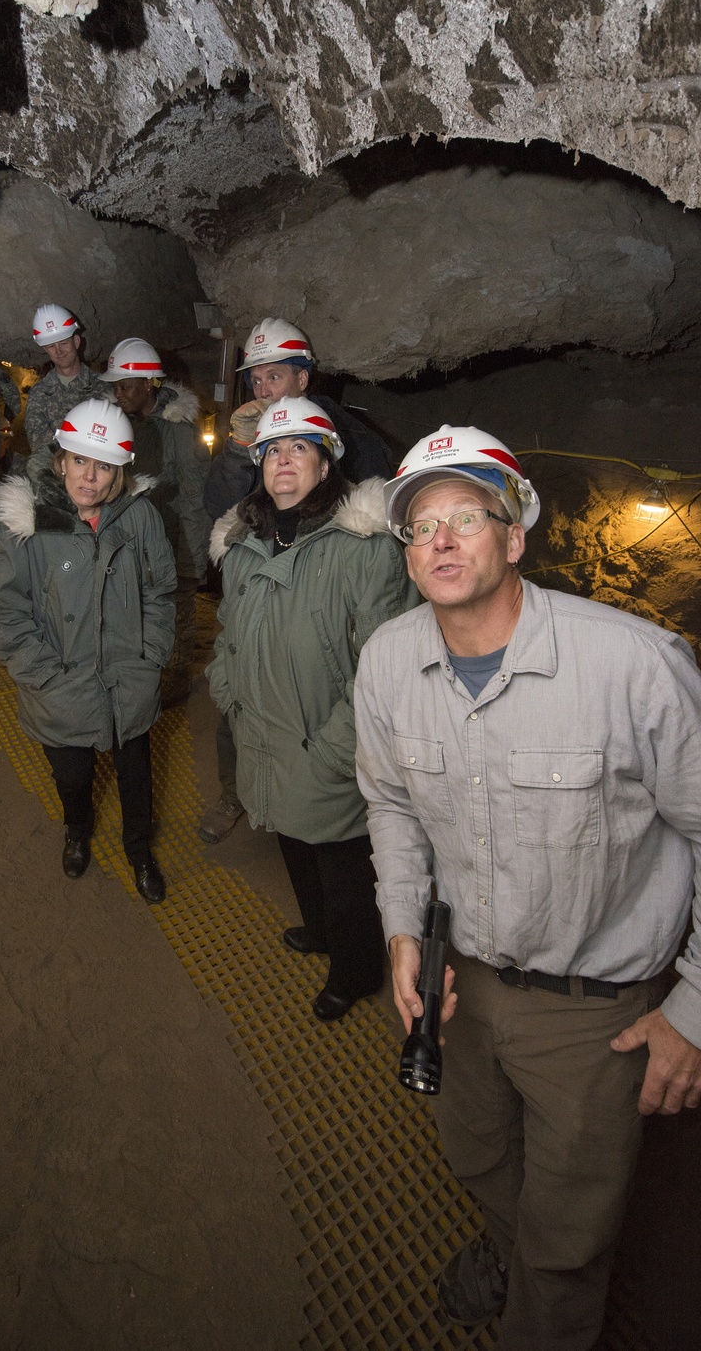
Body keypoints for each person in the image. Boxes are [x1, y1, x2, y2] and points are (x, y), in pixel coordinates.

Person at [353, 423, 701, 1349]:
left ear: (515, 535)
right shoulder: (386, 662)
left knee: (572, 1238)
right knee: (480, 1157)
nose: (442, 540)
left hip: (593, 1008)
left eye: (466, 517)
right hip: (462, 980)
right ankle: (514, 1247)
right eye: (420, 525)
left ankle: (544, 1302)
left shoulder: (633, 666)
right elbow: (391, 807)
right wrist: (403, 932)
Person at [207, 397, 418, 1020]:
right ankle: (319, 932)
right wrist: (229, 692)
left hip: (328, 743)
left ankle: (353, 972)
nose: (283, 461)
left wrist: (332, 748)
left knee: (344, 869)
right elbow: (227, 633)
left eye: (300, 447)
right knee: (292, 841)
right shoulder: (245, 543)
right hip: (265, 732)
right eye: (272, 449)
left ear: (326, 465)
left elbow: (386, 668)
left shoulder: (366, 550)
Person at [0, 399, 176, 900]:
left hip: (128, 681)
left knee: (136, 778)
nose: (89, 477)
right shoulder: (24, 524)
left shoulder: (139, 518)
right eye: (80, 461)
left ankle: (138, 848)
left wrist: (150, 660)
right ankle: (77, 832)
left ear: (119, 474)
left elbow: (160, 590)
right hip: (59, 687)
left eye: (104, 465)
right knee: (73, 776)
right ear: (60, 459)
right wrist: (43, 675)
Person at [199, 317, 394, 844]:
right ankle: (237, 792)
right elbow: (218, 508)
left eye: (275, 377)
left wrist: (334, 750)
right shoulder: (251, 441)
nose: (263, 390)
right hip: (260, 607)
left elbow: (370, 510)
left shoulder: (350, 440)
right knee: (242, 712)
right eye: (255, 380)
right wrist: (243, 453)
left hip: (319, 608)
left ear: (304, 379)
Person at [99, 338, 211, 706]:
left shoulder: (177, 428)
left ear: (150, 384)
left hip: (173, 534)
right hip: (136, 537)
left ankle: (176, 676)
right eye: (115, 386)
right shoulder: (126, 422)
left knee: (176, 611)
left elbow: (195, 495)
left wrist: (191, 557)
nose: (119, 393)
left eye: (126, 386)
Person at [23, 304, 106, 455]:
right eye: (51, 346)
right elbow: (38, 444)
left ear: (76, 341)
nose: (59, 351)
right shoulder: (39, 393)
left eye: (63, 343)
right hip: (57, 469)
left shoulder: (102, 386)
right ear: (45, 349)